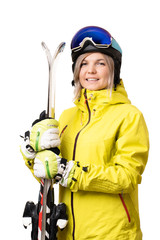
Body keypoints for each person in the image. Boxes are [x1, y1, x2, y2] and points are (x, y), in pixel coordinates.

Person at [20, 26, 149, 240]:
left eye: (100, 63)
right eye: (84, 64)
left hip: (111, 234)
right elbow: (51, 175)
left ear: (113, 69)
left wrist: (71, 172)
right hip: (66, 232)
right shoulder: (67, 117)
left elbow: (127, 177)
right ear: (77, 72)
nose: (90, 71)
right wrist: (34, 156)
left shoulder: (129, 116)